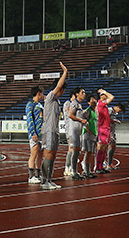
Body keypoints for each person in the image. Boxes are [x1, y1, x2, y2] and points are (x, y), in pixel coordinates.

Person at [39, 62, 68, 191]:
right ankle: (44, 181)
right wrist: (65, 72)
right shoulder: (51, 96)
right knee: (48, 154)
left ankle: (49, 180)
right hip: (48, 130)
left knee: (53, 155)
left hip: (55, 131)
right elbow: (59, 85)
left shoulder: (57, 101)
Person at [66, 86, 88, 181]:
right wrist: (81, 120)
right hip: (74, 131)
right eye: (82, 92)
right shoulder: (74, 103)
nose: (84, 94)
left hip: (78, 131)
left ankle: (74, 171)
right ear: (77, 94)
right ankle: (73, 171)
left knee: (77, 151)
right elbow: (70, 115)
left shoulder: (79, 104)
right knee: (75, 151)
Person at [25, 86, 44, 184]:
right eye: (42, 93)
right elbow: (29, 119)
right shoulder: (30, 105)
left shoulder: (40, 105)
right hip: (35, 133)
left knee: (40, 154)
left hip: (42, 133)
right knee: (34, 154)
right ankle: (31, 176)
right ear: (38, 93)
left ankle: (37, 174)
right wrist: (33, 132)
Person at [95, 88, 115, 173]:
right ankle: (98, 167)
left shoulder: (103, 105)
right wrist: (104, 91)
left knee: (104, 148)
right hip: (102, 128)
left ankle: (101, 167)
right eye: (104, 95)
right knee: (101, 147)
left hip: (106, 127)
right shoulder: (100, 103)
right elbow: (112, 97)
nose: (106, 96)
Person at [80, 94, 98, 178]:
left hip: (93, 134)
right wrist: (88, 129)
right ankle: (86, 171)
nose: (94, 101)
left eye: (94, 99)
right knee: (88, 153)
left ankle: (87, 170)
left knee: (90, 153)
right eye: (92, 99)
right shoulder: (88, 111)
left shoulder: (95, 111)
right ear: (88, 102)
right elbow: (83, 120)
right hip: (88, 134)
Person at [106, 103, 125, 169]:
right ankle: (106, 163)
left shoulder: (114, 112)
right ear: (117, 107)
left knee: (113, 146)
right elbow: (104, 119)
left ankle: (109, 163)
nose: (119, 112)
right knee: (108, 146)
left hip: (112, 131)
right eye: (120, 110)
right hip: (107, 131)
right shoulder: (109, 110)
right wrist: (114, 120)